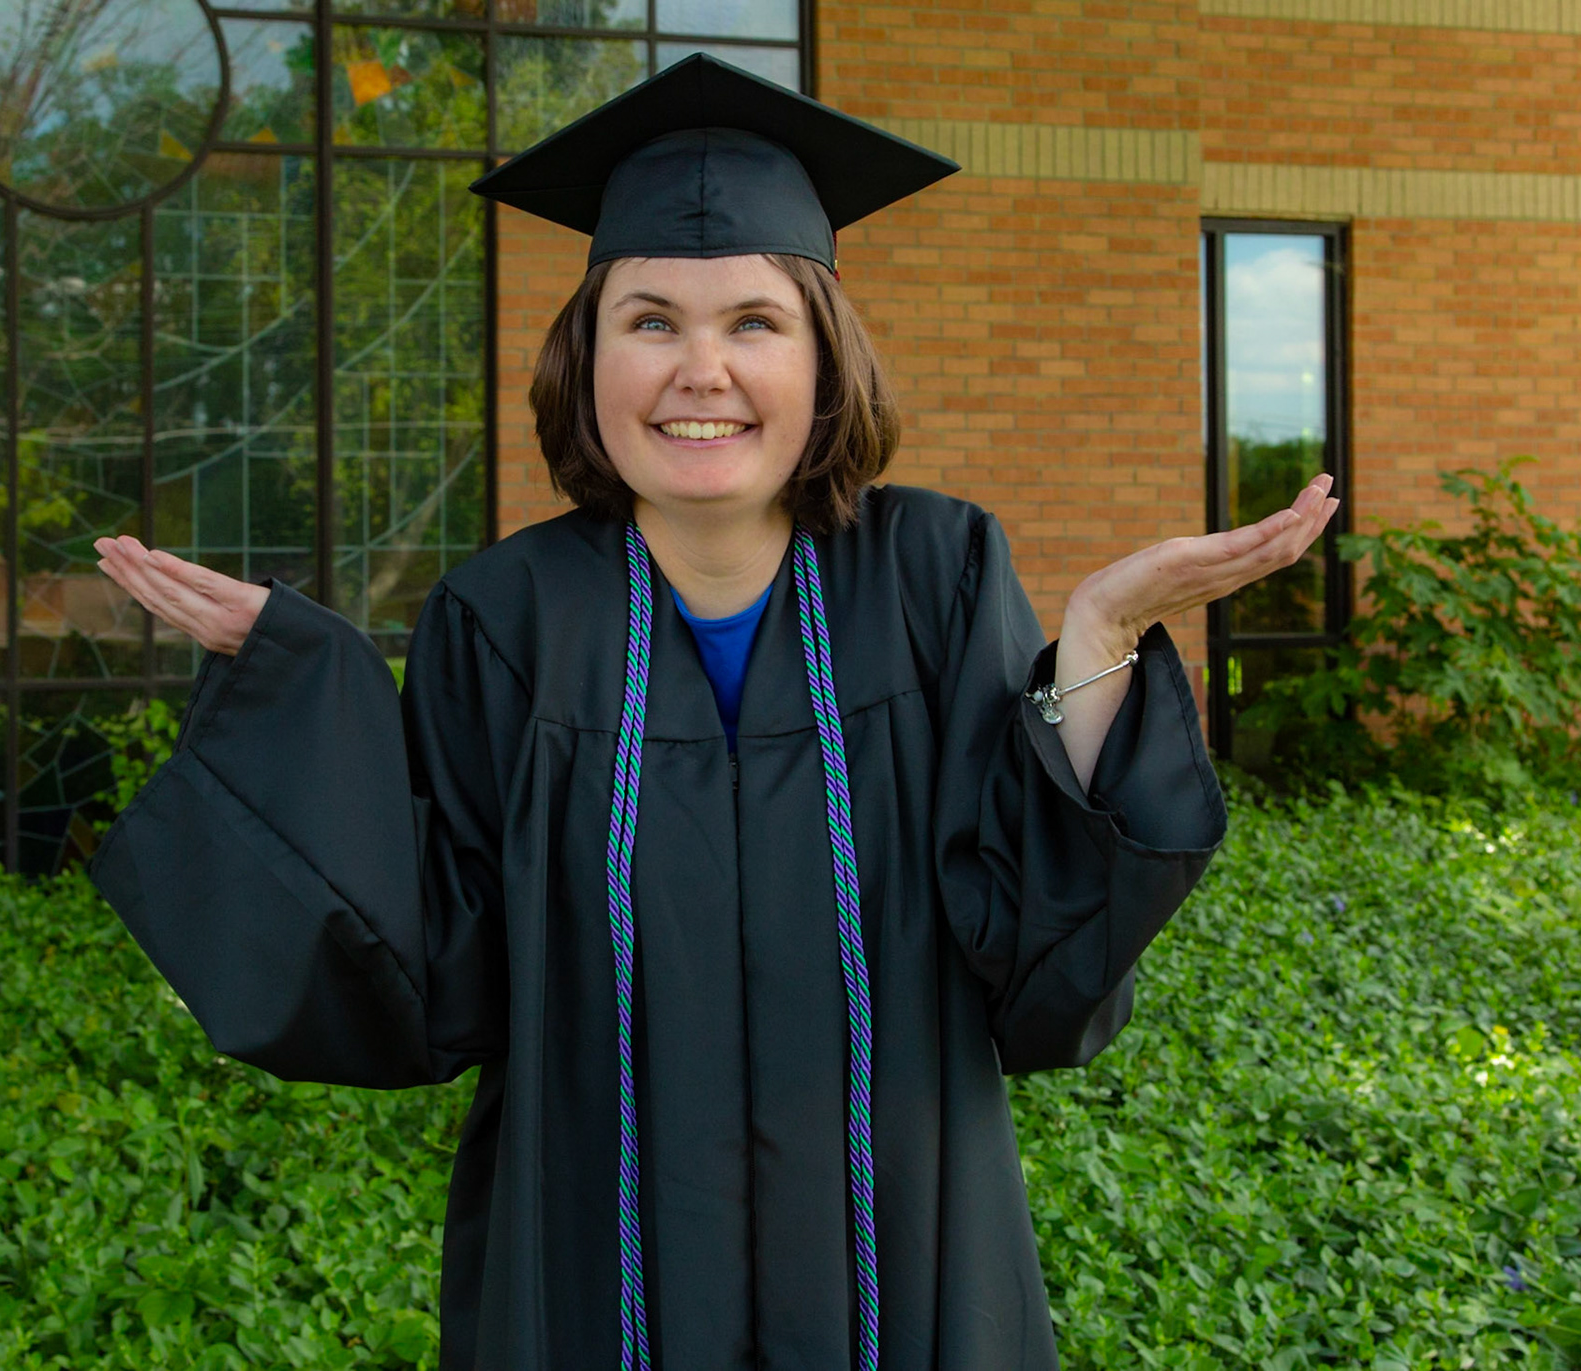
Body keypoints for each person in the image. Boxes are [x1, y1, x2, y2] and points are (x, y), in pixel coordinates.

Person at [88, 54, 1337, 1371]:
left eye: (754, 322)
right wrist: (312, 688)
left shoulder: (935, 575)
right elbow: (433, 973)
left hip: (897, 1261)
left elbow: (1034, 953)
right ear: (588, 354)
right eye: (649, 322)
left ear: (822, 356)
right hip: (592, 1276)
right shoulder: (503, 618)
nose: (701, 371)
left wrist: (1094, 637)